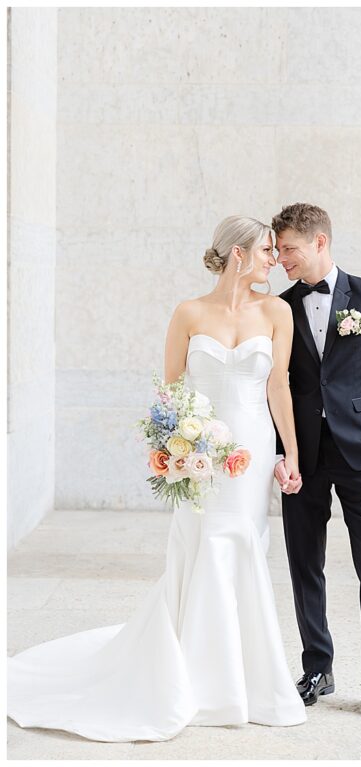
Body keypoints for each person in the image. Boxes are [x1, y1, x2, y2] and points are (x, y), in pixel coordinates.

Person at [7, 216, 307, 741]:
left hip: (253, 451)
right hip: (200, 454)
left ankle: (244, 680)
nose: (273, 259)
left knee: (243, 544)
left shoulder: (277, 311)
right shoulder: (188, 313)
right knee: (204, 544)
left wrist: (291, 456)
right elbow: (169, 391)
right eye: (264, 250)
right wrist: (177, 448)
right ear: (238, 254)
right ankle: (197, 679)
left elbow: (278, 387)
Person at [271, 202, 361, 727]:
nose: (281, 258)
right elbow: (275, 386)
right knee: (304, 562)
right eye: (278, 249)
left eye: (290, 249)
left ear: (320, 242)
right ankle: (318, 667)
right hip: (303, 456)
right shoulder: (281, 307)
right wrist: (284, 453)